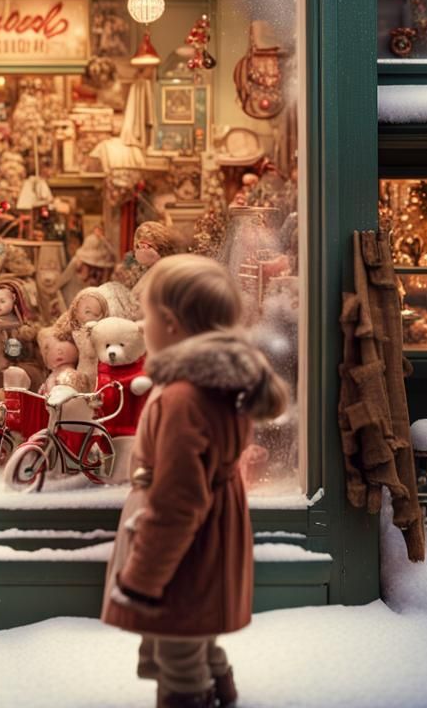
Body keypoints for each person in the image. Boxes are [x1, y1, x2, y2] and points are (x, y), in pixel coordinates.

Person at [101, 254, 288, 708]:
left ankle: (192, 697)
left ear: (170, 323)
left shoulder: (183, 398)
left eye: (145, 316)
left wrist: (145, 575)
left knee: (178, 645)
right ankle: (221, 690)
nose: (142, 327)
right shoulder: (218, 386)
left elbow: (178, 500)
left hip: (186, 546)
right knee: (196, 632)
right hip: (213, 534)